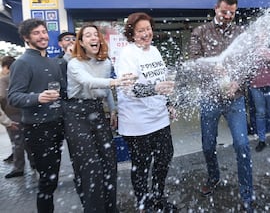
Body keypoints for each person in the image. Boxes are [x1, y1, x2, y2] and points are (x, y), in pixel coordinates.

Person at [189, 0, 254, 211]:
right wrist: (211, 68)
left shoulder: (240, 32)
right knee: (208, 145)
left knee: (242, 145)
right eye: (225, 11)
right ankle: (213, 177)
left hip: (234, 98)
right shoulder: (200, 32)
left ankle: (247, 193)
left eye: (232, 13)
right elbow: (194, 62)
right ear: (216, 8)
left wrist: (238, 83)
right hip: (209, 98)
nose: (228, 16)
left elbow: (247, 64)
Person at [65, 24, 131, 212]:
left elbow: (105, 90)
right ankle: (94, 209)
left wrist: (113, 109)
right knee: (90, 166)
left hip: (97, 111)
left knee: (110, 162)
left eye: (96, 34)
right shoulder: (74, 63)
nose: (93, 38)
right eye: (88, 35)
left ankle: (110, 207)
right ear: (82, 42)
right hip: (76, 113)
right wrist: (115, 81)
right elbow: (88, 82)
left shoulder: (106, 63)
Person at [115, 12, 177, 212]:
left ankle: (158, 197)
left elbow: (161, 81)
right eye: (141, 30)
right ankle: (144, 203)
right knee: (141, 165)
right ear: (132, 33)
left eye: (148, 29)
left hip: (159, 117)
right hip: (137, 122)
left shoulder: (155, 51)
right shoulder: (127, 54)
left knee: (165, 157)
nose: (146, 33)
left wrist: (169, 103)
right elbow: (128, 88)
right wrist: (155, 89)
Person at [8, 18, 66, 212]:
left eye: (43, 32)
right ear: (26, 38)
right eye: (36, 33)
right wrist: (37, 97)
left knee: (53, 178)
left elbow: (63, 92)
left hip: (57, 124)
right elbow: (13, 97)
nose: (42, 36)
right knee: (47, 182)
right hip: (37, 128)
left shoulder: (52, 61)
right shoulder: (22, 63)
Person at [0, 56, 35, 178]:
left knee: (17, 141)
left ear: (6, 67)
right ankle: (34, 162)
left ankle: (18, 168)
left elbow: (3, 96)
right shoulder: (22, 76)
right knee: (28, 140)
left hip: (12, 113)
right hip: (26, 111)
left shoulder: (4, 79)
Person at [249, 48, 270, 152]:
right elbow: (245, 65)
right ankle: (262, 140)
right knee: (260, 113)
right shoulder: (249, 46)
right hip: (256, 84)